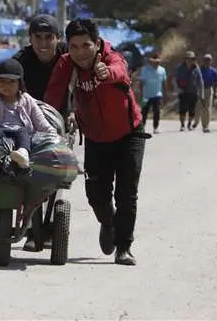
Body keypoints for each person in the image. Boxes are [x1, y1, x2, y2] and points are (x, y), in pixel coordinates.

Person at [45, 18, 146, 266]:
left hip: (128, 134)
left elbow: (121, 73)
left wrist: (107, 73)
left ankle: (124, 247)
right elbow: (54, 94)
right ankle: (108, 221)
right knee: (96, 195)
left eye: (86, 45)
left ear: (97, 43)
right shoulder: (66, 63)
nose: (80, 52)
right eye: (74, 46)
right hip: (95, 137)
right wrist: (45, 120)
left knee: (127, 193)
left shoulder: (112, 58)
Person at [11, 14, 69, 251]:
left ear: (58, 38)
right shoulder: (21, 61)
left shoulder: (68, 56)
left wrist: (74, 112)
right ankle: (31, 229)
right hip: (25, 124)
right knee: (25, 174)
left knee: (51, 176)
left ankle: (41, 228)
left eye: (49, 38)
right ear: (30, 39)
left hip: (58, 123)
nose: (43, 44)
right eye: (38, 38)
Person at [174, 51, 204, 131]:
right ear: (185, 59)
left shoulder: (196, 68)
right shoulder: (180, 68)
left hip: (193, 92)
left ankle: (189, 124)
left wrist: (201, 93)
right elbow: (176, 79)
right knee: (182, 110)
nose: (190, 60)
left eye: (192, 58)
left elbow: (200, 81)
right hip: (182, 92)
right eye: (188, 58)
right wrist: (178, 88)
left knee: (192, 110)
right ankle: (182, 125)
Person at [139, 52, 167, 134]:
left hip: (157, 95)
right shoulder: (144, 69)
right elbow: (141, 82)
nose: (157, 63)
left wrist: (165, 95)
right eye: (155, 62)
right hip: (146, 95)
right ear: (151, 62)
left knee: (157, 112)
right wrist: (141, 94)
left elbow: (164, 83)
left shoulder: (162, 70)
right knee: (143, 112)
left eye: (158, 62)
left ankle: (156, 127)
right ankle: (142, 128)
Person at [198, 54, 217, 133]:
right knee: (202, 108)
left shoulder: (213, 71)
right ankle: (201, 124)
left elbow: (216, 82)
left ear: (211, 61)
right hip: (201, 90)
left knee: (207, 108)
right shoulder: (199, 70)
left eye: (209, 60)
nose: (207, 61)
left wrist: (215, 92)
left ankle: (206, 125)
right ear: (203, 61)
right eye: (206, 60)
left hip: (209, 89)